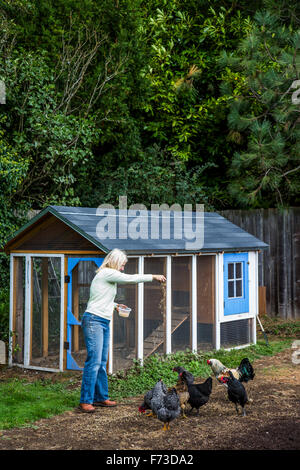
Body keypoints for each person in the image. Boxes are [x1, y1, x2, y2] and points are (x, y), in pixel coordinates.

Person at [79, 248, 166, 413]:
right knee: (94, 361)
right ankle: (85, 400)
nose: (123, 268)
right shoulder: (106, 273)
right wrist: (152, 276)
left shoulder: (107, 277)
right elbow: (130, 279)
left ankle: (101, 397)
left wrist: (116, 305)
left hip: (103, 320)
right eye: (122, 265)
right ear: (116, 262)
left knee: (102, 361)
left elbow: (99, 299)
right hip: (93, 320)